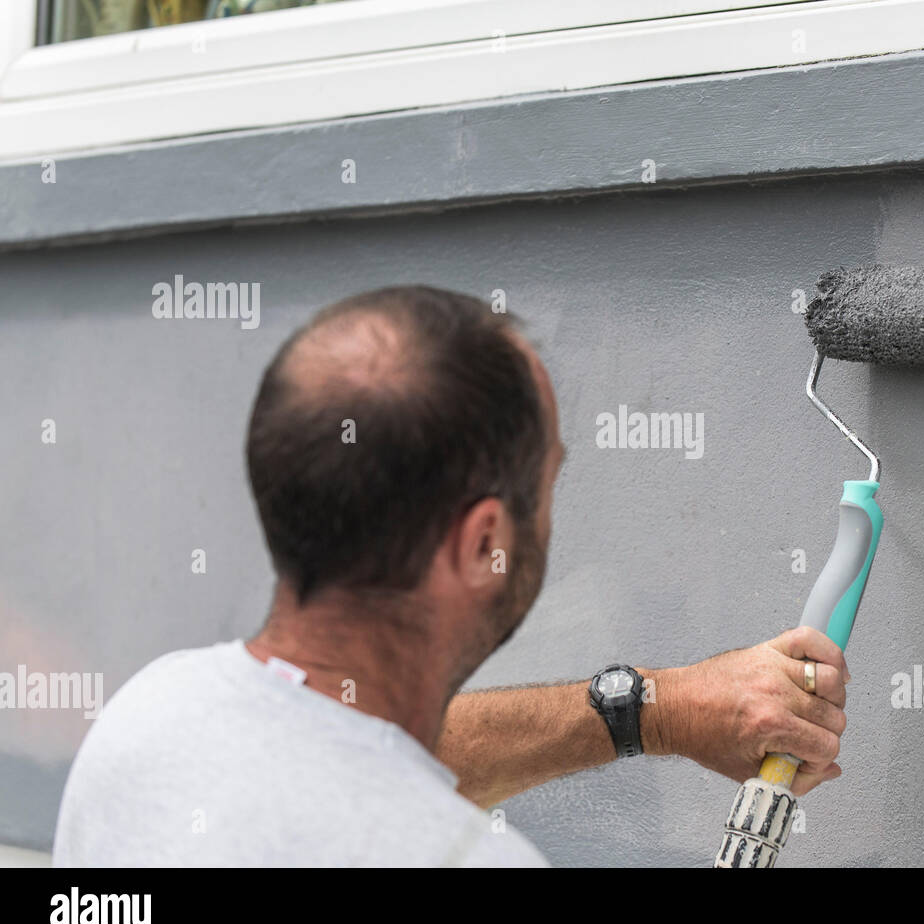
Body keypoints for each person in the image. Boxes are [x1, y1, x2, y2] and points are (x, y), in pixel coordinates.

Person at [53, 286, 849, 866]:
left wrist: (656, 707)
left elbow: (348, 762)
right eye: (547, 486)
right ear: (481, 545)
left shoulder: (149, 718)